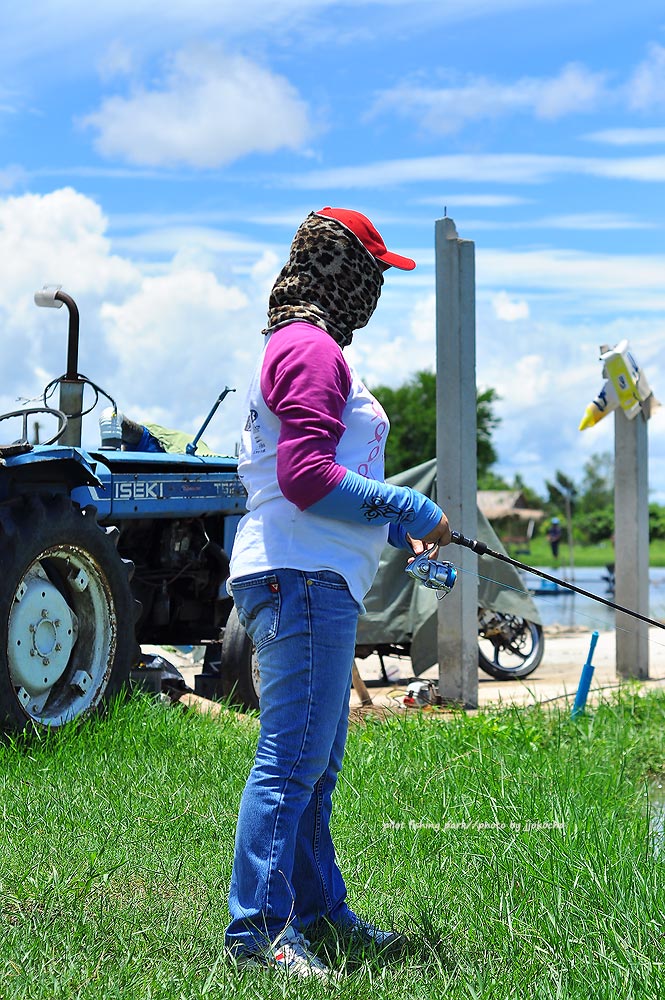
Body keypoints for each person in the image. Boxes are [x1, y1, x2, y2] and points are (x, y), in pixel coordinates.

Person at [224, 207, 451, 979]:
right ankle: (257, 934)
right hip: (301, 575)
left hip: (308, 571)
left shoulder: (299, 344)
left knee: (313, 767)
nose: (375, 291)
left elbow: (314, 477)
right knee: (291, 762)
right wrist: (408, 507)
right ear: (340, 270)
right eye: (373, 273)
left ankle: (320, 915)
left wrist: (385, 528)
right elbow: (304, 476)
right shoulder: (310, 349)